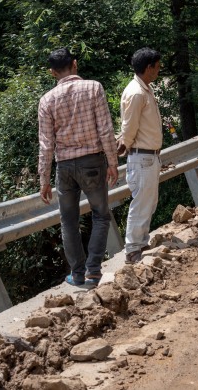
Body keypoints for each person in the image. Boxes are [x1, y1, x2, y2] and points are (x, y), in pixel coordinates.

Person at [38, 48, 119, 288]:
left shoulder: (46, 100)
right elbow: (105, 129)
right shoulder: (94, 88)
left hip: (64, 167)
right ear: (75, 64)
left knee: (68, 221)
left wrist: (44, 179)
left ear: (53, 72)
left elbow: (45, 144)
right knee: (101, 215)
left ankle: (78, 274)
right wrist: (113, 162)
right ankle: (94, 270)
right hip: (92, 162)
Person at [117, 47, 163, 264]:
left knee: (149, 202)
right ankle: (133, 249)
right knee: (142, 203)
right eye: (157, 66)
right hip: (141, 156)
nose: (159, 70)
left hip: (148, 156)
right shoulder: (136, 93)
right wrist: (123, 145)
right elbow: (129, 126)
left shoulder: (144, 89)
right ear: (148, 67)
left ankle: (141, 243)